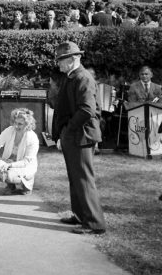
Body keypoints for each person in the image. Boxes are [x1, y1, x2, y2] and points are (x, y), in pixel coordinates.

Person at [51, 41, 106, 235]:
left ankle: (94, 223)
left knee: (83, 178)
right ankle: (80, 215)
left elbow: (87, 110)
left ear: (73, 58)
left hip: (81, 135)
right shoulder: (72, 76)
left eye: (60, 60)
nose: (58, 64)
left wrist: (69, 129)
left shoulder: (83, 78)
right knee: (75, 177)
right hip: (75, 135)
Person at [0, 108, 40, 195]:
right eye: (15, 122)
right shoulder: (9, 130)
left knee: (9, 175)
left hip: (25, 165)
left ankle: (26, 186)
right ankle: (11, 186)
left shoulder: (32, 138)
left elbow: (26, 161)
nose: (16, 126)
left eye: (20, 124)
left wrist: (9, 165)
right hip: (9, 160)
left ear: (28, 124)